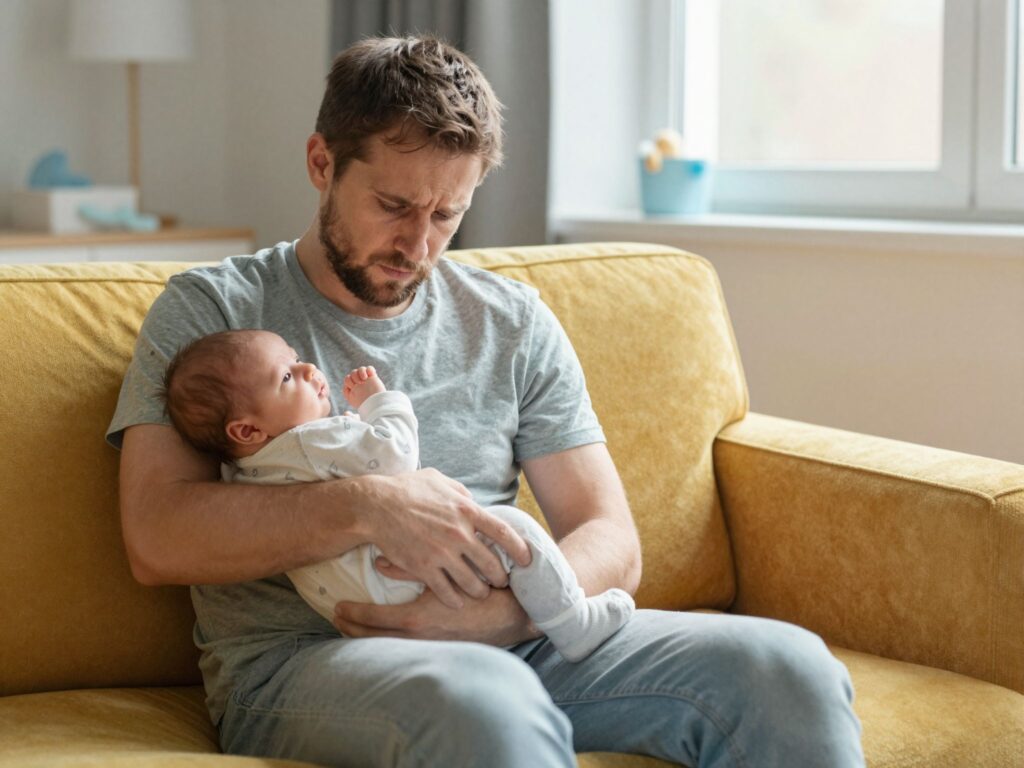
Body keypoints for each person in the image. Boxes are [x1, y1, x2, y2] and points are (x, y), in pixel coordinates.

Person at [108, 35, 865, 768]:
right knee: (488, 698)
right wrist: (369, 506)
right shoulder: (215, 312)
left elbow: (609, 536)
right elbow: (156, 536)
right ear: (321, 164)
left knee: (786, 670)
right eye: (394, 205)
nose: (418, 245)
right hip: (304, 665)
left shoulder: (511, 320)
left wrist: (507, 615)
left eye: (446, 215)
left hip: (517, 636)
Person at [161, 328, 635, 662]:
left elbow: (609, 530)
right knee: (519, 532)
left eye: (296, 357)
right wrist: (379, 403)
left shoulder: (249, 471)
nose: (307, 368)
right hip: (399, 582)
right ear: (246, 428)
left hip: (364, 603)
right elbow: (394, 457)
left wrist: (511, 619)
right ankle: (572, 621)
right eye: (286, 377)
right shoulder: (312, 440)